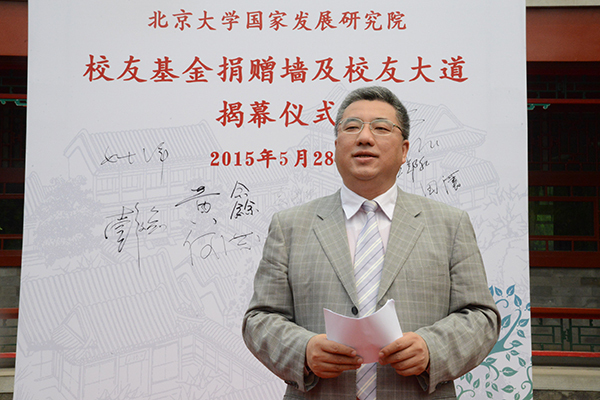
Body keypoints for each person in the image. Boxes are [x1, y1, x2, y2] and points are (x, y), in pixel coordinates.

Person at [242, 86, 500, 399]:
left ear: (404, 150)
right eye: (352, 127)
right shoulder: (290, 226)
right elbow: (259, 319)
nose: (365, 137)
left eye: (381, 128)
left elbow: (481, 317)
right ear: (336, 146)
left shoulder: (450, 224)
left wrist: (432, 348)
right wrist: (304, 350)